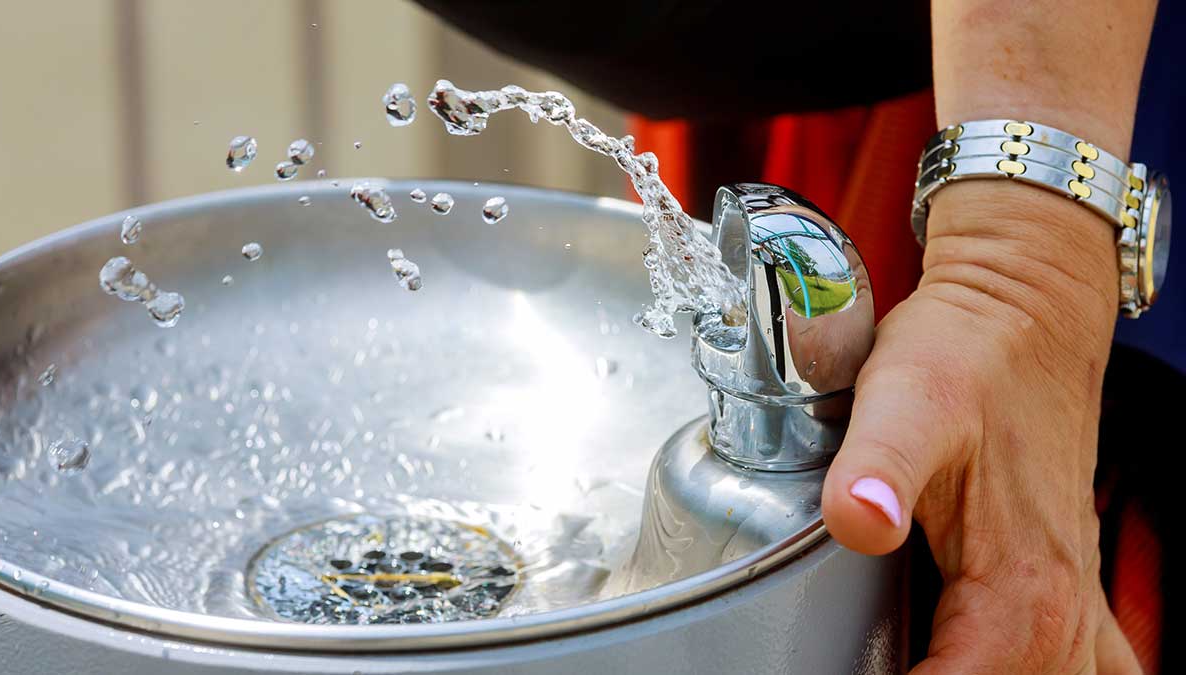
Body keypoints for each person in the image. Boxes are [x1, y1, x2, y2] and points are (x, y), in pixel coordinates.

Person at [419, 1, 1179, 672]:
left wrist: (1023, 262)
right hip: (753, 84)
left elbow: (1017, 277)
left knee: (1002, 569)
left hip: (1023, 82)